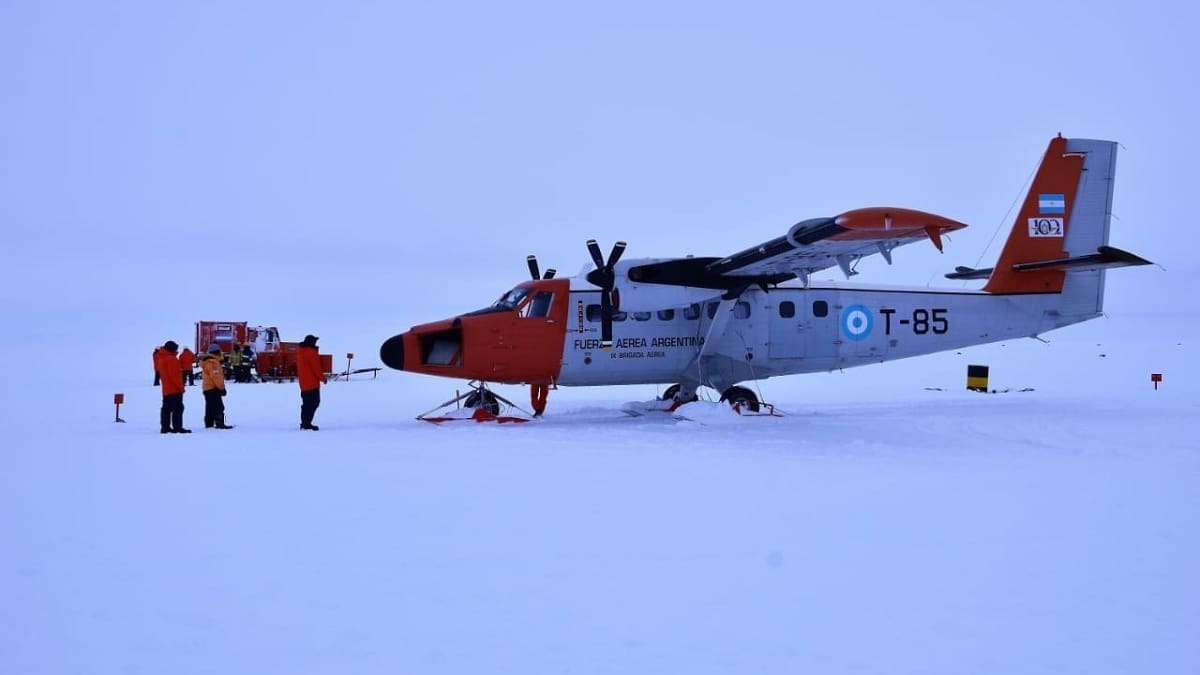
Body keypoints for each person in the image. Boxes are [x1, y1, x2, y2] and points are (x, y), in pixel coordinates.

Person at [154, 340, 190, 433]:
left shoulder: (161, 358)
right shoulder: (172, 359)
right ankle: (177, 427)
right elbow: (175, 376)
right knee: (178, 408)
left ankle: (165, 427)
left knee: (166, 409)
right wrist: (181, 387)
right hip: (174, 389)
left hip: (166, 389)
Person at [200, 343, 232, 429]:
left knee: (210, 407)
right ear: (217, 352)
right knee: (218, 406)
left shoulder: (208, 361)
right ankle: (219, 423)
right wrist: (221, 388)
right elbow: (216, 377)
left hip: (207, 388)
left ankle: (209, 424)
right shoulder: (213, 363)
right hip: (213, 388)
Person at [297, 334, 325, 430]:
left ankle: (304, 423)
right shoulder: (311, 353)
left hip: (303, 384)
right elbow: (316, 369)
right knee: (314, 403)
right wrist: (323, 379)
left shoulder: (301, 352)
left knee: (306, 404)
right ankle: (306, 423)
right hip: (312, 383)